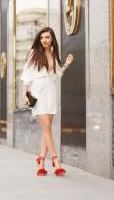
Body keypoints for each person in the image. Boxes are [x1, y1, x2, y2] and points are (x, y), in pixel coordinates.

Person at [21, 26, 74, 176]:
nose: (44, 40)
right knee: (47, 129)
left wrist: (66, 65)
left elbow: (56, 76)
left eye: (47, 37)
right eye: (42, 37)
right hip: (37, 95)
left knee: (47, 129)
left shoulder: (53, 54)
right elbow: (26, 76)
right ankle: (56, 162)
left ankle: (41, 162)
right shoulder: (34, 54)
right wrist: (25, 94)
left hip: (51, 93)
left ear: (52, 40)